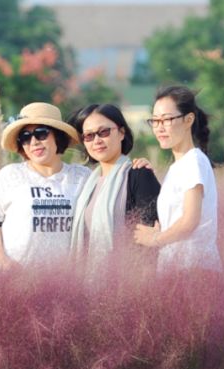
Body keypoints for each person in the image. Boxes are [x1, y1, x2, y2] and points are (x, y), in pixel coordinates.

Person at [0, 102, 90, 269]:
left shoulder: (82, 177)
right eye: (25, 137)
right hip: (17, 279)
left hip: (68, 281)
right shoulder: (9, 175)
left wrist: (136, 168)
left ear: (57, 137)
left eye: (41, 133)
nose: (33, 142)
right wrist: (2, 260)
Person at [133, 85, 221, 273]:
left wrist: (154, 240)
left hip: (194, 271)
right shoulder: (178, 167)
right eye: (155, 121)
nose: (159, 128)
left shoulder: (193, 161)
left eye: (166, 120)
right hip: (175, 270)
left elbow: (190, 220)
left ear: (188, 120)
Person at [67, 103, 161, 272]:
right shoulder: (88, 183)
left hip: (128, 281)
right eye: (88, 136)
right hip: (89, 283)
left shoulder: (139, 175)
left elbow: (152, 236)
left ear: (122, 133)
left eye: (104, 132)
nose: (97, 140)